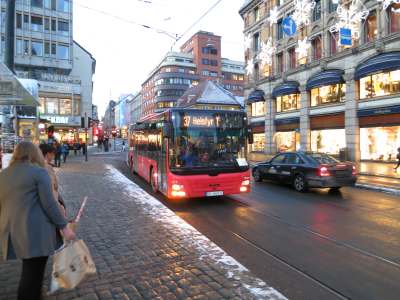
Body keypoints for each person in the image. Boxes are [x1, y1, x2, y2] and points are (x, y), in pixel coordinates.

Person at [0, 142, 75, 300]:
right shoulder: (39, 173)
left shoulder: (4, 174)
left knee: (30, 269)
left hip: (13, 231)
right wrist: (64, 226)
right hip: (35, 232)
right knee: (33, 273)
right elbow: (49, 204)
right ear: (36, 154)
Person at [39, 144, 66, 215]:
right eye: (53, 154)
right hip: (50, 207)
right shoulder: (47, 168)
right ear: (48, 154)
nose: (53, 157)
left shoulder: (33, 166)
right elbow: (53, 188)